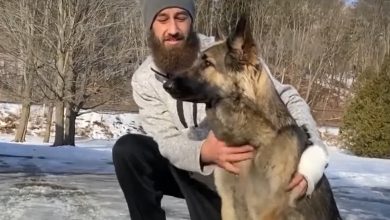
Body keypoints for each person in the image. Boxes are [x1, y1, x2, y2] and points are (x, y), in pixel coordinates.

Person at [112, 0, 329, 219]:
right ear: (151, 26)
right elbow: (166, 140)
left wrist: (314, 155)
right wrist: (203, 153)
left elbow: (286, 97)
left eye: (180, 17)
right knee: (129, 151)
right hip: (189, 162)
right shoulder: (144, 79)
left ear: (191, 21)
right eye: (162, 19)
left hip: (240, 167)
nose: (173, 29)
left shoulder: (224, 52)